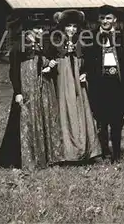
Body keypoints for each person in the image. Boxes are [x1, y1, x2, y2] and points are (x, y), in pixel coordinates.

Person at [0, 15, 62, 170]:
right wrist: (17, 92)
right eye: (37, 28)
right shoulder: (19, 46)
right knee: (19, 123)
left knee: (38, 120)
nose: (40, 31)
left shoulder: (39, 45)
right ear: (28, 30)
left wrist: (49, 65)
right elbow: (14, 71)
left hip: (38, 89)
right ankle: (14, 158)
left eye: (42, 28)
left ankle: (41, 156)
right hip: (25, 90)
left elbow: (41, 62)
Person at [48, 9, 102, 163]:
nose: (71, 29)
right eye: (68, 26)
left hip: (78, 79)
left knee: (80, 107)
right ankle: (67, 152)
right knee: (66, 107)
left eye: (74, 27)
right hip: (63, 78)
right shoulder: (56, 39)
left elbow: (88, 60)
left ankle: (85, 149)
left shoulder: (82, 41)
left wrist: (85, 71)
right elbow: (51, 57)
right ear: (63, 27)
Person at [82, 5, 124, 163]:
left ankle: (116, 153)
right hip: (99, 83)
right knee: (101, 120)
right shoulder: (91, 37)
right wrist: (84, 72)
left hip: (117, 83)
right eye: (102, 18)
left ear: (114, 20)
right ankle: (104, 151)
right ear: (98, 20)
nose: (105, 21)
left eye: (108, 18)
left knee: (117, 120)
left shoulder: (122, 37)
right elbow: (87, 59)